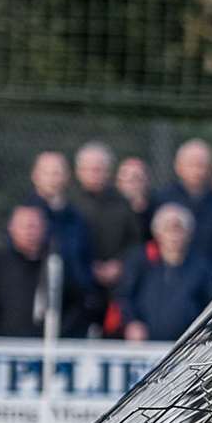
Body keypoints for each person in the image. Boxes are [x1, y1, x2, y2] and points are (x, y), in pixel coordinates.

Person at [116, 204, 212, 342]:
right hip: (144, 347)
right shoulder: (140, 261)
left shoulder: (203, 268)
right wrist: (131, 322)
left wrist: (206, 328)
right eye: (168, 230)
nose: (174, 236)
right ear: (157, 233)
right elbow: (124, 295)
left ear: (188, 234)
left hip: (187, 347)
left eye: (179, 230)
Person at [70, 141, 143, 337]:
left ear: (109, 172)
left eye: (100, 169)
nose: (95, 174)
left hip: (116, 288)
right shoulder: (70, 204)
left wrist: (119, 264)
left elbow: (136, 243)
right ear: (79, 171)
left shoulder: (123, 204)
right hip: (79, 289)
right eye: (90, 169)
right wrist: (89, 267)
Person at [25, 151, 95, 333]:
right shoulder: (26, 216)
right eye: (47, 172)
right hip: (35, 314)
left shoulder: (76, 217)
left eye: (57, 173)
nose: (52, 178)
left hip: (74, 312)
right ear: (35, 175)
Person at [150, 139, 212, 271]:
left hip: (210, 274)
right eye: (192, 164)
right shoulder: (162, 199)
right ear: (178, 166)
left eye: (202, 165)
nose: (197, 171)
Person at [0, 205, 51, 337]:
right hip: (5, 345)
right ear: (11, 228)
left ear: (44, 228)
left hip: (47, 345)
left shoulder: (56, 264)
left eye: (34, 226)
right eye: (25, 226)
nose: (29, 232)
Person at [117, 156, 153, 239]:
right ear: (119, 183)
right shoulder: (111, 212)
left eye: (138, 179)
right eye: (129, 180)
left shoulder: (156, 210)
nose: (134, 185)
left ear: (147, 181)